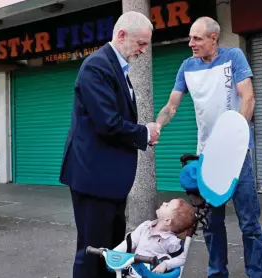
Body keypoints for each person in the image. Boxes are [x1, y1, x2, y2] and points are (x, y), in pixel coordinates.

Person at [155, 17, 262, 278]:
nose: (190, 43)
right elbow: (172, 105)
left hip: (237, 156)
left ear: (214, 38)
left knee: (249, 223)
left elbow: (248, 97)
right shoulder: (187, 67)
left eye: (197, 38)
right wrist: (158, 124)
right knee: (212, 225)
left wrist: (234, 139)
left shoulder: (234, 57)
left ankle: (256, 274)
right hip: (207, 157)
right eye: (190, 38)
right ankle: (217, 274)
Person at [59, 11, 160, 278]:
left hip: (108, 181)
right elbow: (108, 122)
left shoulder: (118, 67)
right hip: (94, 180)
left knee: (111, 252)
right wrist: (144, 133)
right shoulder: (97, 66)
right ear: (121, 35)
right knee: (92, 253)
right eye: (140, 43)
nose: (143, 50)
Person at [114, 198, 196, 274]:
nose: (164, 203)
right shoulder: (145, 226)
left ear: (167, 220)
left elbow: (182, 258)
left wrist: (166, 264)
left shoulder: (172, 241)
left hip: (152, 274)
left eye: (167, 205)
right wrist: (113, 253)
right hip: (133, 272)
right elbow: (130, 242)